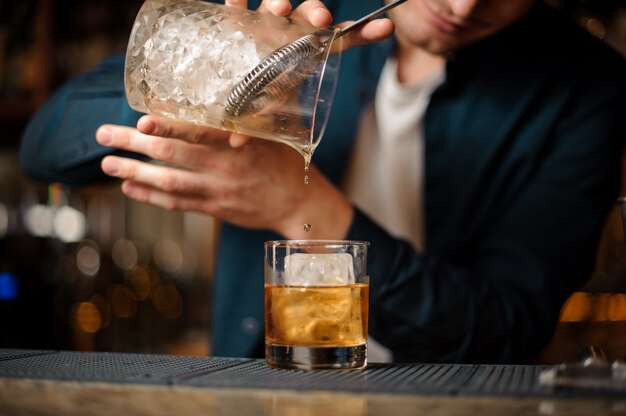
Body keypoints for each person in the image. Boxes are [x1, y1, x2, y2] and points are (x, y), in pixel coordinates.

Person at [20, 0, 626, 363]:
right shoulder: (291, 11)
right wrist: (225, 76)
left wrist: (298, 205)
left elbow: (504, 331)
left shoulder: (586, 87)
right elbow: (45, 145)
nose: (464, 8)